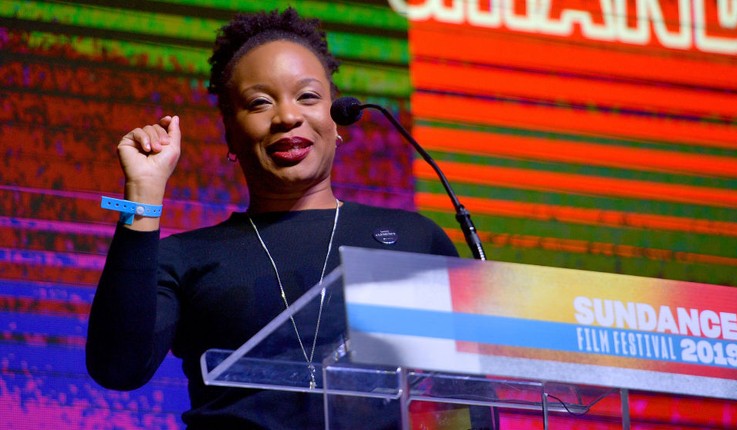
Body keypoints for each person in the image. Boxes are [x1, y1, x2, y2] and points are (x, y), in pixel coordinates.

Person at [85, 7, 462, 429]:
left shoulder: (414, 240)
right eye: (260, 102)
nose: (287, 116)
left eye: (308, 96)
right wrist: (143, 194)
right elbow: (118, 368)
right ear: (230, 134)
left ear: (336, 119)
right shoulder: (186, 257)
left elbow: (467, 396)